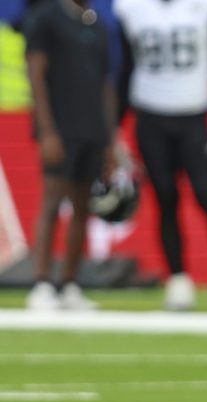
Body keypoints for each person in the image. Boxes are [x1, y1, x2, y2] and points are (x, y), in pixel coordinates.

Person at [114, 0, 207, 312]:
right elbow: (126, 69)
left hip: (194, 116)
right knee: (165, 197)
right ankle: (178, 280)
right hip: (149, 117)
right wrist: (115, 127)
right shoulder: (131, 7)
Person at [24, 0, 116, 310]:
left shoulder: (96, 24)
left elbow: (106, 86)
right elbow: (36, 74)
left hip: (91, 129)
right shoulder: (47, 18)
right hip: (61, 128)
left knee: (81, 206)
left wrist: (109, 140)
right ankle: (40, 283)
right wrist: (46, 129)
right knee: (52, 200)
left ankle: (69, 284)